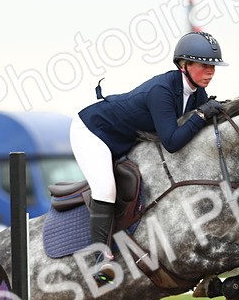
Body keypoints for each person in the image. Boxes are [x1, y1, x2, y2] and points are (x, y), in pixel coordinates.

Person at [71, 31, 228, 256]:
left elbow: (194, 130)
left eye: (213, 66)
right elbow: (171, 142)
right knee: (106, 190)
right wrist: (201, 116)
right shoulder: (161, 91)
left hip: (125, 138)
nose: (210, 71)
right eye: (204, 65)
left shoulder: (197, 93)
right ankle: (100, 257)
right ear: (184, 65)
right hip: (93, 131)